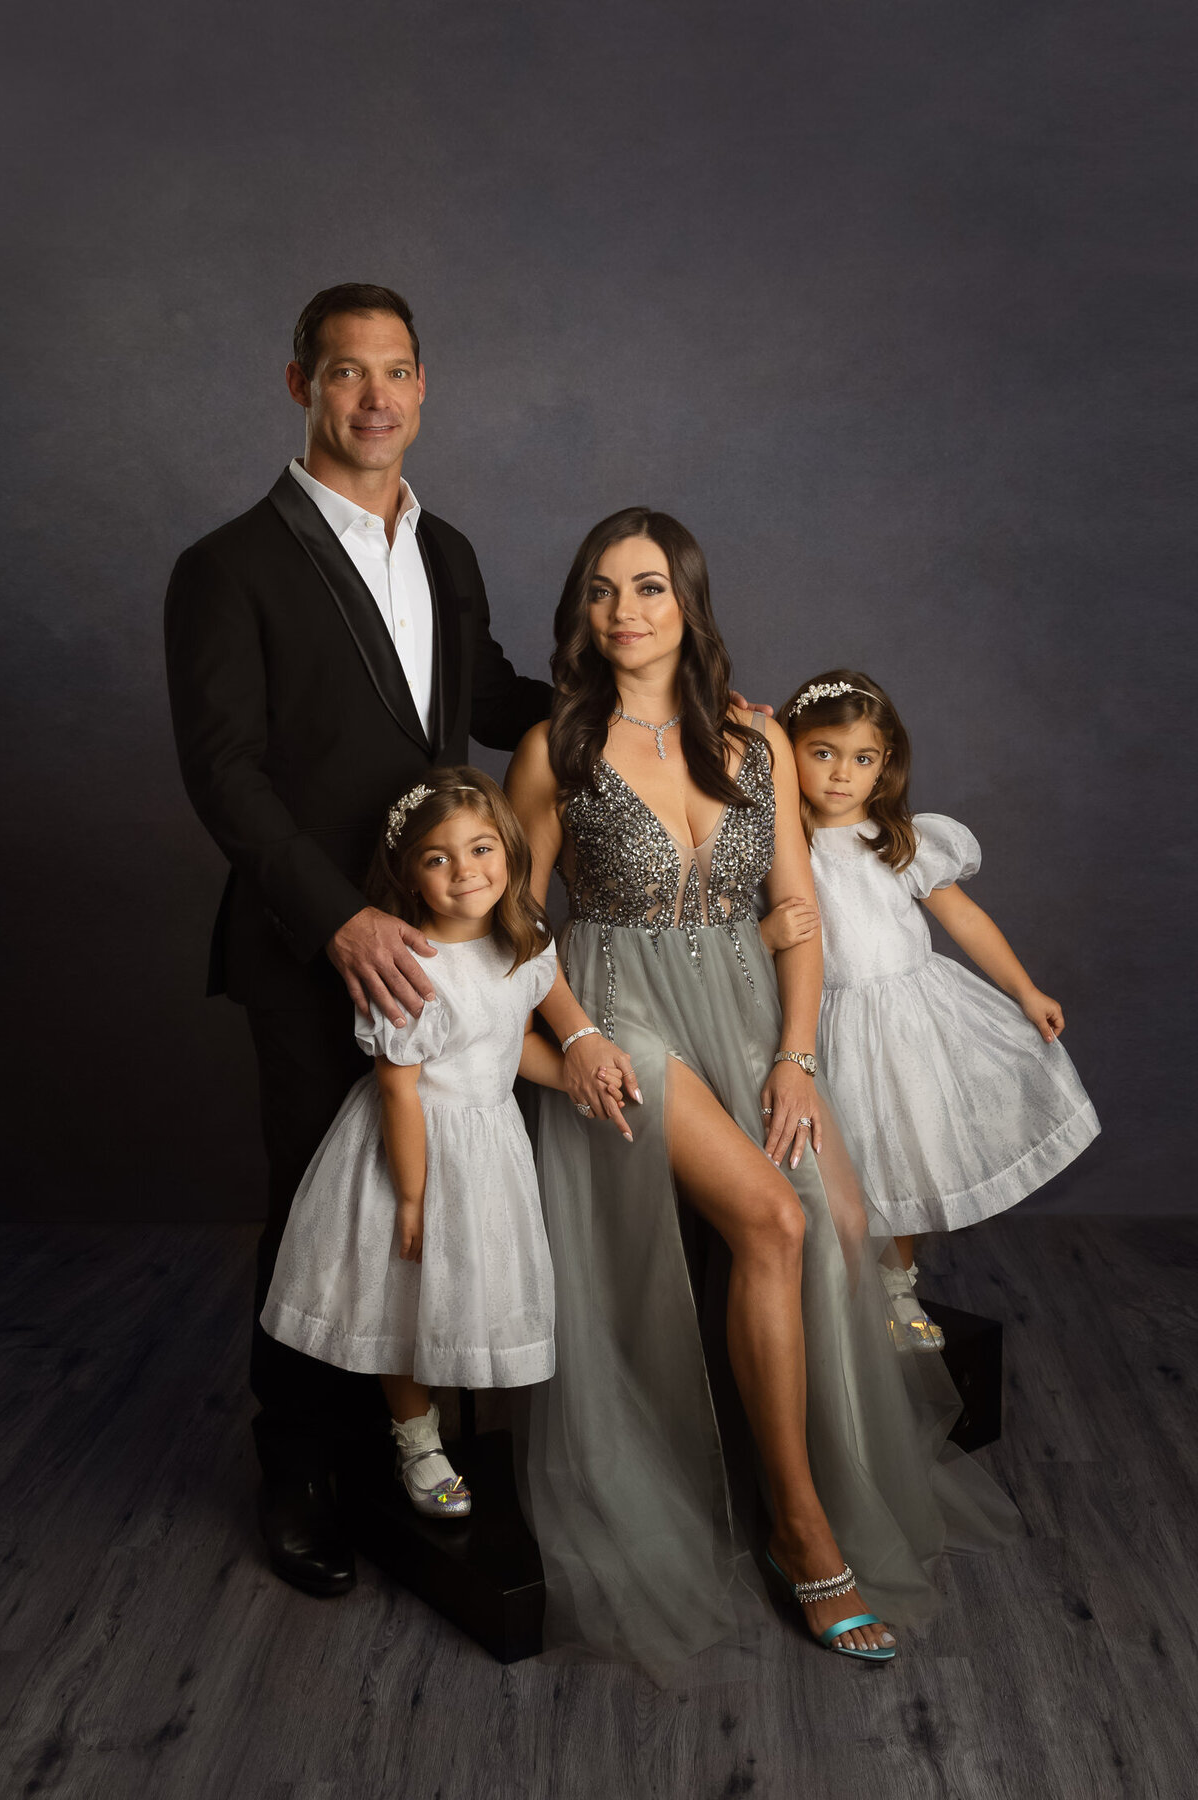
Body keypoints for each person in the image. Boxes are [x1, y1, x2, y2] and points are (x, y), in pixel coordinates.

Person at [506, 509, 1018, 1674]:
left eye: (647, 586)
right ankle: (802, 1533)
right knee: (773, 1218)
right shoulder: (555, 751)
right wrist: (578, 1038)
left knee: (837, 1220)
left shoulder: (760, 742)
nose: (624, 610)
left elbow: (795, 919)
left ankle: (813, 1471)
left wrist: (797, 1058)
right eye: (601, 590)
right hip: (624, 1014)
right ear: (582, 613)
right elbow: (517, 924)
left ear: (690, 602)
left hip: (748, 1012)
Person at [164, 284, 557, 1595]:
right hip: (307, 946)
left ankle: (418, 1437)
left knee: (429, 1200)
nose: (374, 396)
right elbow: (223, 772)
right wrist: (337, 918)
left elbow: (491, 697)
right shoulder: (227, 567)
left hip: (450, 947)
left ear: (424, 386)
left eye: (395, 371)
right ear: (301, 388)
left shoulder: (446, 550)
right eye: (346, 373)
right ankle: (303, 1470)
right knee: (318, 1211)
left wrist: (651, 698)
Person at [261, 770, 623, 1515]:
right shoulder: (411, 966)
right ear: (409, 875)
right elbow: (398, 1088)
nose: (466, 871)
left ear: (511, 852)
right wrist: (413, 1194)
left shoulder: (523, 949)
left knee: (460, 1288)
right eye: (438, 858)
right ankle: (415, 1438)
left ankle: (454, 1429)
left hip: (488, 1144)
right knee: (403, 1299)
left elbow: (513, 1045)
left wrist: (579, 1084)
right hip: (414, 1146)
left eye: (482, 848)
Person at [762, 670, 1100, 1346]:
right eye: (821, 752)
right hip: (825, 1025)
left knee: (903, 1155)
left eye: (862, 759)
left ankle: (897, 1287)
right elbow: (727, 939)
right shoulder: (776, 848)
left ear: (885, 766)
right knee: (841, 1167)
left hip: (910, 1021)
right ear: (787, 749)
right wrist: (767, 935)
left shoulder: (900, 841)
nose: (839, 775)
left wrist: (1024, 989)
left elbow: (965, 920)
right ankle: (835, 1299)